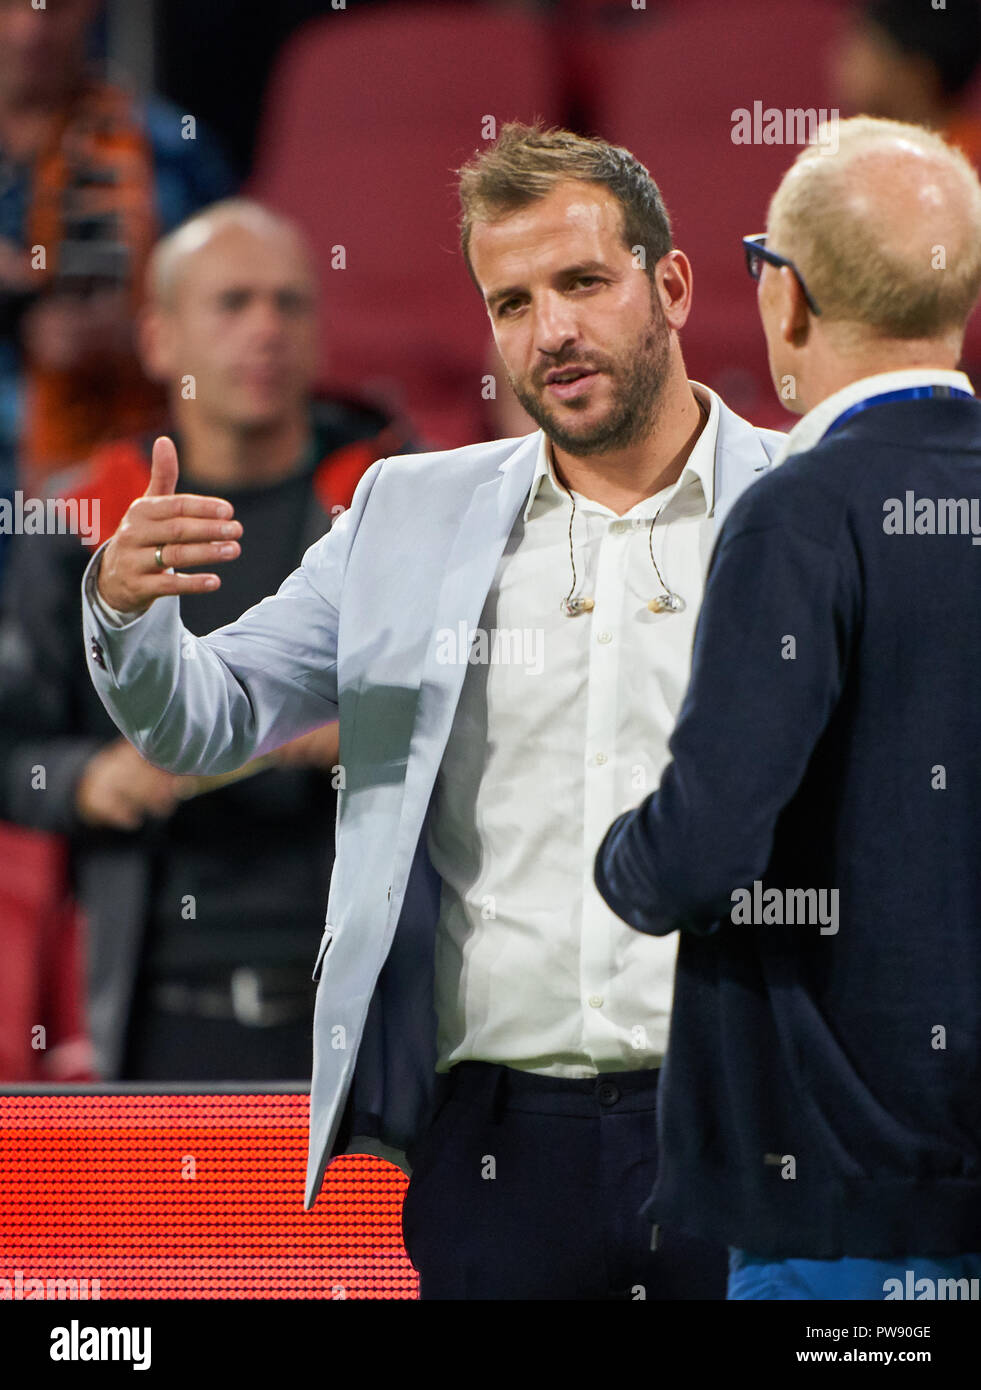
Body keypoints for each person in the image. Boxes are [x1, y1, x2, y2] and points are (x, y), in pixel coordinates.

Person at [80, 122, 783, 1300]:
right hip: (498, 1148)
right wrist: (123, 610)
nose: (549, 330)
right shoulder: (405, 513)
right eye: (511, 302)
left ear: (670, 287)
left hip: (746, 1121)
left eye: (581, 283)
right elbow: (208, 718)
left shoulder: (800, 503)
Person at [595, 115, 981, 1300]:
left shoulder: (804, 513)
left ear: (788, 299)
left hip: (838, 1207)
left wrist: (625, 860)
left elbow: (708, 844)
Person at [0, 198, 411, 1084]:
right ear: (159, 340)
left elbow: (486, 716)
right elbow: (11, 742)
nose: (265, 329)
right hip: (156, 1004)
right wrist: (85, 779)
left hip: (364, 1000)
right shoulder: (84, 519)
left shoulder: (397, 503)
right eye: (232, 304)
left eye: (289, 303)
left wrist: (369, 732)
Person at [0, 0, 236, 586]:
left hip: (110, 456)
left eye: (52, 9)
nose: (29, 28)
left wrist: (139, 336)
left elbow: (237, 303)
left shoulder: (169, 151)